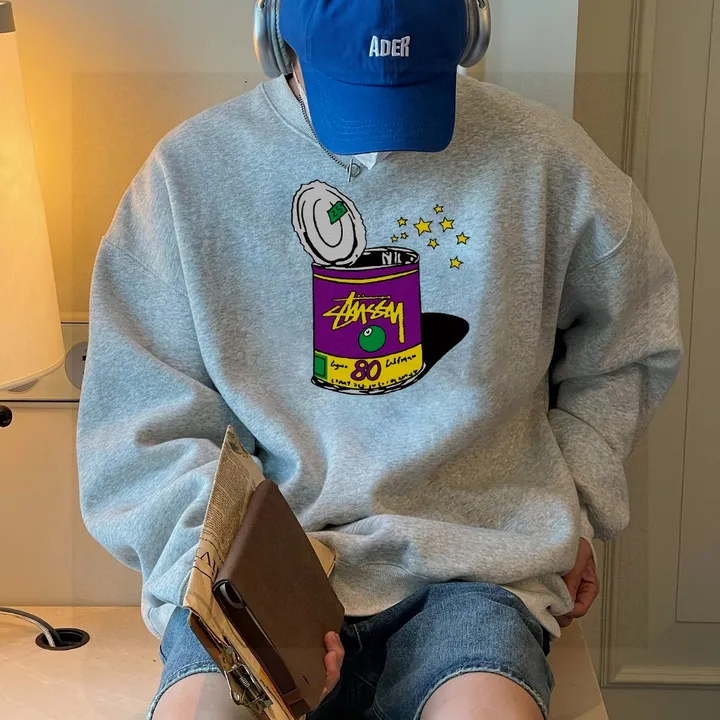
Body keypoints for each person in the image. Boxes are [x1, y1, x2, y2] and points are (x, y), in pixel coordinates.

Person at [77, 1, 682, 718]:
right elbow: (140, 427)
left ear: (470, 26)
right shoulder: (187, 175)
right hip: (262, 571)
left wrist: (576, 503)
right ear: (274, 28)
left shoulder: (549, 161)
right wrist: (220, 577)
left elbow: (630, 339)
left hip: (474, 569)